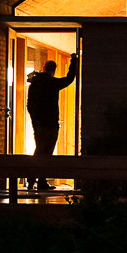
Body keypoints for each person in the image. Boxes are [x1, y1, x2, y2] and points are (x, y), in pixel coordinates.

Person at [24, 52, 78, 189]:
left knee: (39, 150)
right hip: (51, 124)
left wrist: (35, 119)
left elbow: (29, 105)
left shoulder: (34, 85)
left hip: (39, 124)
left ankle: (30, 179)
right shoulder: (52, 83)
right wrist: (74, 62)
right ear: (53, 71)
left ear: (43, 68)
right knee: (47, 152)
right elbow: (69, 78)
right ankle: (41, 181)